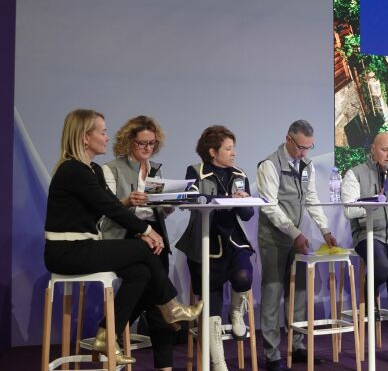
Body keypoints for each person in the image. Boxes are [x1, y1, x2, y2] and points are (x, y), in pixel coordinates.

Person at [44, 109, 202, 365]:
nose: (107, 137)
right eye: (102, 132)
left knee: (140, 271)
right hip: (65, 252)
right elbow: (112, 209)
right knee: (143, 249)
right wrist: (147, 230)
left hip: (83, 247)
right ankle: (171, 306)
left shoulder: (91, 169)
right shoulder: (72, 170)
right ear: (85, 137)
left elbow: (110, 204)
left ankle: (107, 334)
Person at [256, 120, 337, 371]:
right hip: (275, 239)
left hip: (299, 237)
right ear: (288, 139)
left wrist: (324, 230)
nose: (304, 153)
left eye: (309, 148)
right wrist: (293, 233)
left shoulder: (307, 165)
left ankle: (298, 346)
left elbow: (311, 199)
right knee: (272, 293)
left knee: (300, 292)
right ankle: (271, 355)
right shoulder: (269, 165)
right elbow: (269, 205)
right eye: (301, 147)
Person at [99, 115, 176, 371]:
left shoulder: (156, 169)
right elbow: (105, 211)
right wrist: (127, 202)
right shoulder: (111, 169)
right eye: (142, 143)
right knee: (158, 297)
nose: (147, 148)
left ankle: (110, 331)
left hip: (154, 235)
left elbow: (158, 210)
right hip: (124, 236)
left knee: (156, 298)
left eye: (151, 143)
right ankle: (111, 331)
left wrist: (167, 206)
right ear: (129, 142)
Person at [176, 125, 254, 371]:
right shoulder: (195, 172)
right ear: (213, 151)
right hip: (204, 243)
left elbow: (248, 214)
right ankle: (218, 362)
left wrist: (242, 201)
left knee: (243, 276)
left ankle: (237, 313)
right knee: (211, 301)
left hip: (233, 239)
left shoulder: (239, 174)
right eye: (228, 149)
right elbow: (191, 201)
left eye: (233, 148)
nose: (234, 153)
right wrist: (220, 200)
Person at [340, 131, 388, 370]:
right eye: (386, 149)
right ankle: (369, 289)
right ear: (373, 149)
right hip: (367, 235)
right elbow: (349, 210)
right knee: (382, 269)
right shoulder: (354, 173)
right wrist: (377, 199)